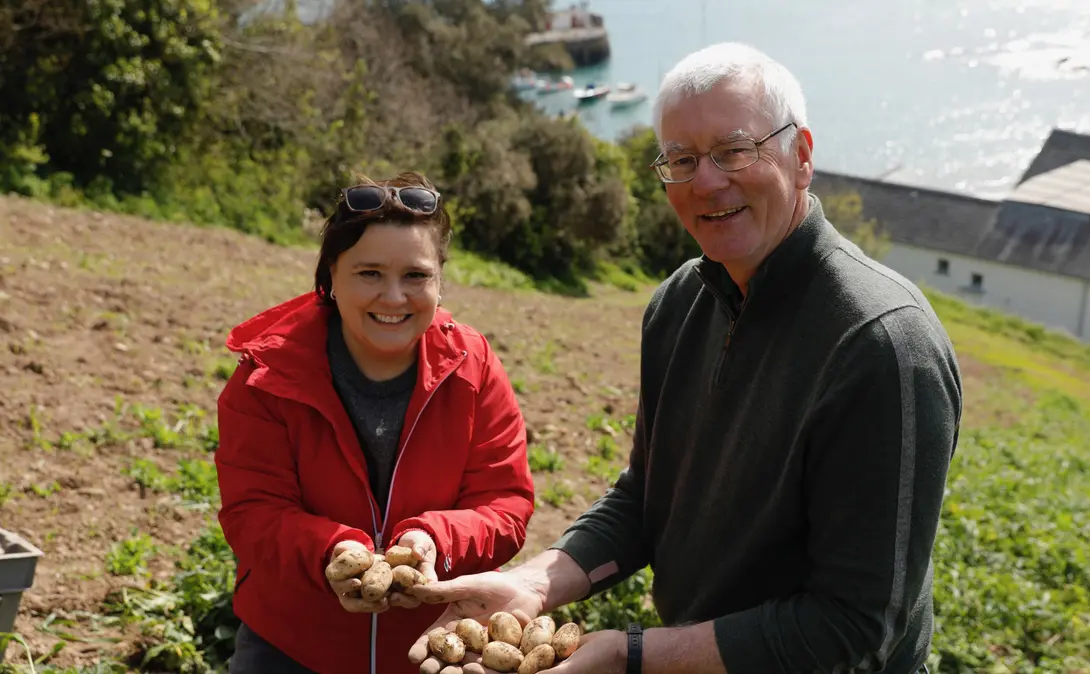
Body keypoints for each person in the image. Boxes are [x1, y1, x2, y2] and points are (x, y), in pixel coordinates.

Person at [406, 42, 963, 674]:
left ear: (801, 155)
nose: (706, 181)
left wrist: (632, 655)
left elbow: (858, 625)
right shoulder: (679, 303)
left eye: (733, 150)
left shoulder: (883, 345)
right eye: (682, 159)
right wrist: (534, 586)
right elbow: (648, 500)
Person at [214, 171, 536, 674]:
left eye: (415, 275)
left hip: (433, 646)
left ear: (439, 280)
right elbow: (252, 512)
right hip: (289, 647)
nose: (393, 297)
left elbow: (506, 504)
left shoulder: (473, 368)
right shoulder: (267, 377)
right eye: (369, 273)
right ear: (330, 280)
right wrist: (333, 554)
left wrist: (434, 541)